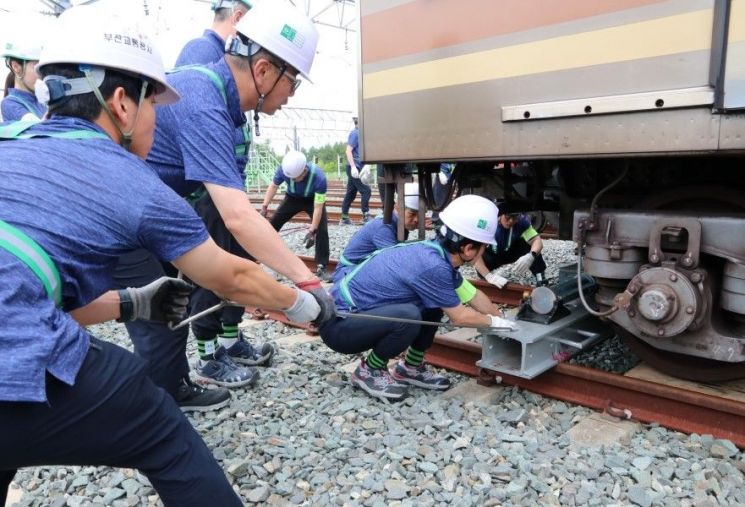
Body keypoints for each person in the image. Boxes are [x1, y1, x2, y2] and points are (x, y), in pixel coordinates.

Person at [0, 6, 332, 506]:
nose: (161, 117)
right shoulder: (134, 181)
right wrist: (302, 303)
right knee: (159, 427)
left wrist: (133, 303)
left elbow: (25, 293)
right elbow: (233, 277)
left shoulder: (11, 143)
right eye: (154, 102)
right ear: (122, 104)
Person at [113, 2, 327, 404]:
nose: (290, 96)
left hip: (147, 214)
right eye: (292, 82)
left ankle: (174, 389)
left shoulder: (215, 96)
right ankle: (161, 417)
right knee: (158, 322)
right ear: (263, 70)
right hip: (124, 219)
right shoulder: (204, 96)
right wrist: (307, 284)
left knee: (171, 304)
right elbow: (238, 215)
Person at [319, 195, 517, 401]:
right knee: (410, 315)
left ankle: (410, 368)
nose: (484, 251)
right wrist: (496, 323)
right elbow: (460, 316)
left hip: (350, 319)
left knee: (432, 306)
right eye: (483, 246)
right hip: (339, 327)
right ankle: (369, 370)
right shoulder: (434, 266)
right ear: (468, 249)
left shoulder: (436, 253)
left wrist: (504, 319)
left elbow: (473, 296)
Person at [173, 0, 271, 382]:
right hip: (208, 192)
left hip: (227, 185)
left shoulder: (229, 58)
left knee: (241, 263)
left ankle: (230, 341)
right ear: (240, 19)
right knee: (212, 276)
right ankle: (208, 355)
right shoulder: (204, 52)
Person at [260, 150, 332, 282]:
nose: (292, 180)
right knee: (273, 224)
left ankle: (322, 267)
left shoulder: (319, 178)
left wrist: (312, 230)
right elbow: (274, 186)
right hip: (292, 198)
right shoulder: (284, 170)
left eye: (295, 178)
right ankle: (265, 258)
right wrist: (264, 207)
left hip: (312, 200)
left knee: (322, 230)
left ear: (304, 170)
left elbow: (318, 207)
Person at [336, 181, 421, 274]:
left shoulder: (397, 223)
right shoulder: (383, 228)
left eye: (420, 214)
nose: (416, 219)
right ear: (398, 207)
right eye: (412, 214)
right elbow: (396, 262)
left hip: (358, 269)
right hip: (348, 273)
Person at [473, 200, 547, 288]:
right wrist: (488, 276)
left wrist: (531, 256)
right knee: (481, 265)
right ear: (500, 215)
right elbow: (475, 253)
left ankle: (540, 277)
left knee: (529, 246)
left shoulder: (522, 222)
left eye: (515, 217)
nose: (511, 221)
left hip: (510, 251)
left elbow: (537, 240)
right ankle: (486, 275)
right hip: (492, 255)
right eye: (508, 217)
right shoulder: (486, 222)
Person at [1, 33, 46, 121]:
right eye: (37, 67)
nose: (43, 75)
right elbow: (40, 129)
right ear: (16, 67)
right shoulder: (10, 104)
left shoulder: (42, 102)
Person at [340, 116, 372, 225]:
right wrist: (353, 167)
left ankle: (344, 218)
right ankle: (366, 215)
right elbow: (348, 151)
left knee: (351, 193)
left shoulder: (361, 134)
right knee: (366, 190)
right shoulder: (355, 134)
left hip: (357, 167)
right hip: (354, 167)